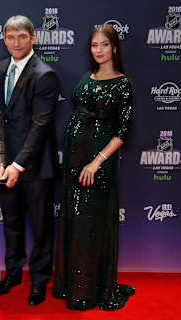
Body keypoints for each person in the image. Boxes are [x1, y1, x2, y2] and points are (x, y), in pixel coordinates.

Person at [52, 24, 135, 311]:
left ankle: (91, 289)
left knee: (91, 225)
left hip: (97, 163)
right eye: (93, 45)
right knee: (75, 222)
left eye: (103, 45)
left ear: (114, 47)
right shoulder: (88, 76)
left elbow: (122, 132)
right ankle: (70, 284)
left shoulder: (123, 84)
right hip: (76, 160)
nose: (98, 50)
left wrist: (96, 162)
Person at [0, 15, 60, 306]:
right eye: (10, 37)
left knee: (41, 227)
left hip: (34, 167)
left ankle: (40, 281)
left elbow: (40, 125)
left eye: (21, 37)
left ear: (33, 38)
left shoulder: (44, 74)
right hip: (4, 164)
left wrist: (18, 165)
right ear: (4, 39)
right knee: (11, 222)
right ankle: (14, 272)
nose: (16, 43)